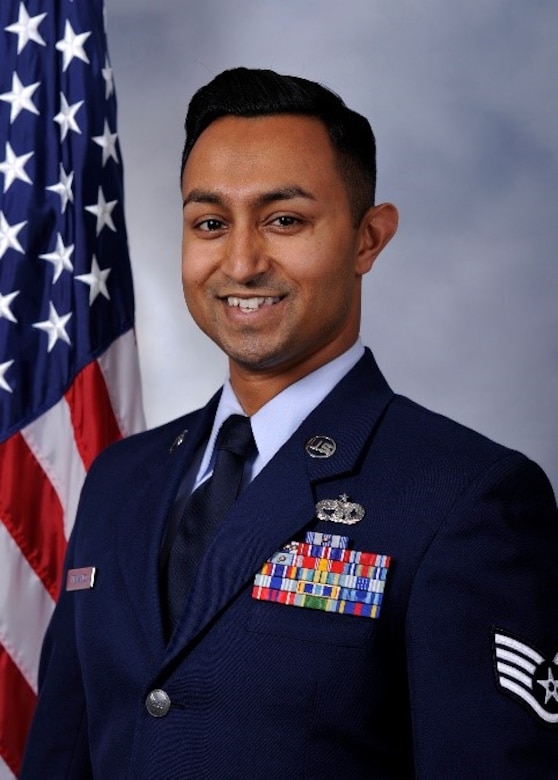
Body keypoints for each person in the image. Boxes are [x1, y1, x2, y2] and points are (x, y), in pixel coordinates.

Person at [21, 67, 558, 779]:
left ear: (369, 239)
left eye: (285, 220)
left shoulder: (467, 498)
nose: (241, 262)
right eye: (210, 224)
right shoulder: (122, 478)